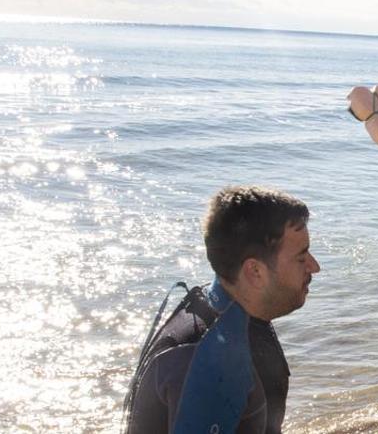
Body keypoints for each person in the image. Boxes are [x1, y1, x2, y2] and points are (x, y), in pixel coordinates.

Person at [125, 186, 321, 434]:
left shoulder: (232, 312)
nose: (315, 267)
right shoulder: (210, 360)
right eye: (301, 257)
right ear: (255, 272)